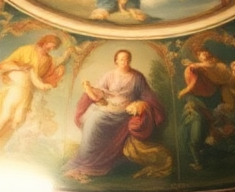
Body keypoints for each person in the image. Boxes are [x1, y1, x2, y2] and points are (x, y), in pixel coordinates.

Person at [63, 49, 167, 183]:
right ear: (116, 61)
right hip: (107, 107)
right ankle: (85, 161)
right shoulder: (109, 75)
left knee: (97, 121)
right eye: (121, 59)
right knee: (91, 120)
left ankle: (92, 165)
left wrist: (146, 105)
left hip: (123, 112)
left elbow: (147, 95)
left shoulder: (137, 77)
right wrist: (89, 88)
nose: (125, 61)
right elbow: (99, 92)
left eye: (127, 59)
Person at [0, 34, 68, 152]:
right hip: (15, 88)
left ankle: (0, 142)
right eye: (48, 47)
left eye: (52, 49)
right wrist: (6, 73)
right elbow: (7, 64)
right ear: (44, 42)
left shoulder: (48, 60)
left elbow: (39, 79)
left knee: (17, 120)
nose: (49, 50)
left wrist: (66, 55)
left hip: (26, 93)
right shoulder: (26, 51)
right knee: (6, 115)